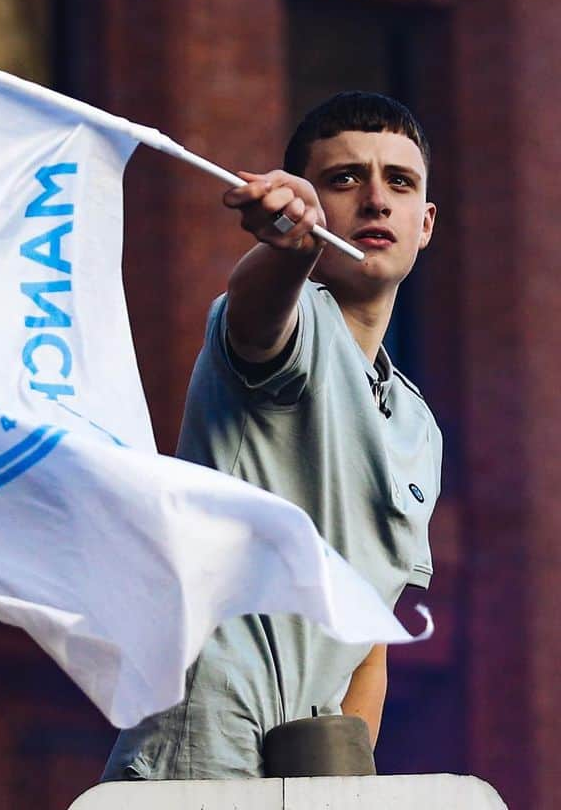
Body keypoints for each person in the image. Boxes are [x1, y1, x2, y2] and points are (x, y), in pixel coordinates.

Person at [102, 91, 441, 780]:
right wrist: (288, 250)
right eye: (345, 179)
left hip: (301, 773)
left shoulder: (418, 426)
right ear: (309, 204)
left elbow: (370, 641)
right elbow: (259, 316)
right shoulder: (293, 322)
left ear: (424, 222)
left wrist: (344, 783)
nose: (375, 200)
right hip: (199, 754)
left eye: (398, 182)